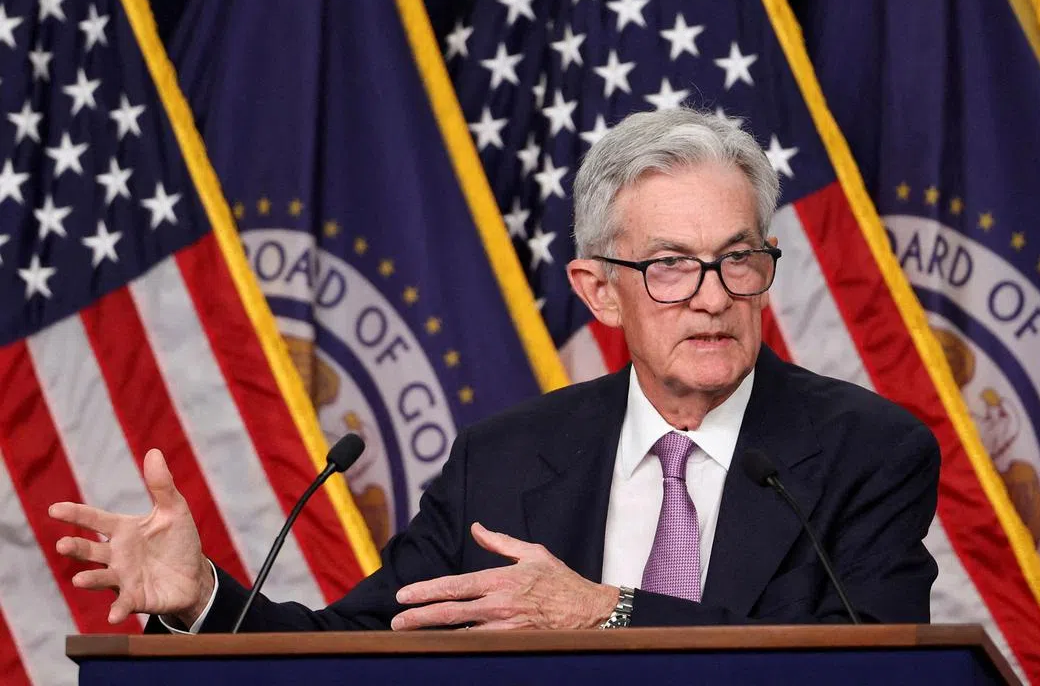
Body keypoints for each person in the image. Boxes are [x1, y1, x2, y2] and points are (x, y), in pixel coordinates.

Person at [49, 107, 939, 633]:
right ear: (597, 290)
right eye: (670, 265)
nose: (712, 296)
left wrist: (607, 612)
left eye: (737, 258)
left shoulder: (868, 451)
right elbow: (356, 650)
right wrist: (202, 596)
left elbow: (874, 658)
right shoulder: (503, 464)